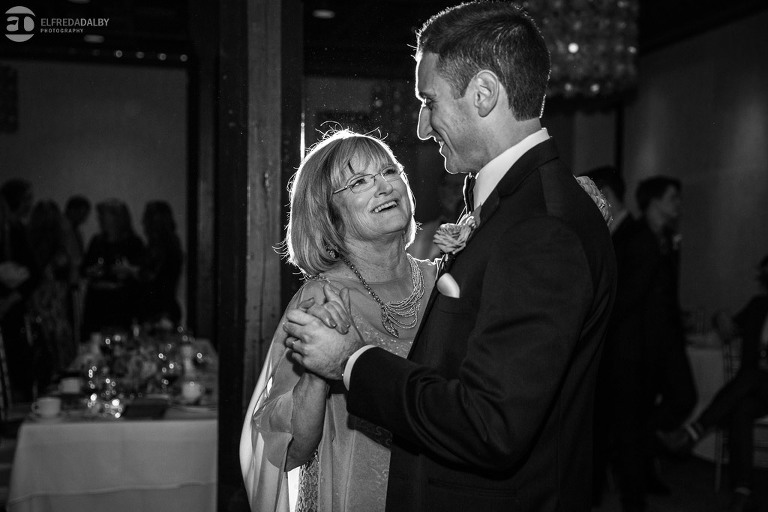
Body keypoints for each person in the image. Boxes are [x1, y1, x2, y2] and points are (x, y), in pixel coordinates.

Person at [281, 3, 617, 511]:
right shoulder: (518, 207)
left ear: (483, 93)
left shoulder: (540, 226)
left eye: (429, 101)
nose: (422, 126)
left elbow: (490, 424)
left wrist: (350, 360)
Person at [240, 129, 435, 511]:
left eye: (389, 172)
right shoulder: (322, 300)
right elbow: (289, 451)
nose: (384, 186)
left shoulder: (442, 282)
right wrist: (318, 373)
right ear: (329, 216)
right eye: (359, 182)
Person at [605, 175, 696, 511]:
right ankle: (634, 492)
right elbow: (627, 296)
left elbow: (663, 293)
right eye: (673, 198)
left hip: (659, 345)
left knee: (679, 399)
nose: (678, 205)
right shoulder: (638, 238)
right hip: (635, 348)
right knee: (633, 417)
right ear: (654, 201)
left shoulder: (667, 238)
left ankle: (641, 460)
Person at [658, 254, 768, 512]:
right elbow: (727, 332)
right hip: (755, 391)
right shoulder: (758, 306)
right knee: (742, 407)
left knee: (749, 377)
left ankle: (693, 432)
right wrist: (720, 318)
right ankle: (743, 491)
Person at [26, 200, 77, 390]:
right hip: (53, 305)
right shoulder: (59, 248)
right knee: (58, 349)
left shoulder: (31, 245)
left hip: (40, 304)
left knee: (46, 348)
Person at [80, 199, 144, 337]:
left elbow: (142, 273)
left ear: (117, 218)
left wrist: (127, 271)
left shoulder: (133, 243)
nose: (100, 219)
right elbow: (84, 269)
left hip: (121, 303)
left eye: (104, 215)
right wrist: (91, 271)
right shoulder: (97, 241)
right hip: (97, 302)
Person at [0, 179, 38, 402]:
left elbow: (33, 274)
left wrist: (10, 300)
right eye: (27, 199)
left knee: (16, 360)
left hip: (13, 305)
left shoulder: (16, 230)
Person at [137, 201, 184, 327]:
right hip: (163, 306)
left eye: (146, 218)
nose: (143, 222)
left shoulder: (160, 246)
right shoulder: (172, 243)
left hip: (158, 310)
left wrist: (132, 271)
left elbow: (151, 277)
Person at [407, 172, 465, 260]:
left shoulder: (477, 233)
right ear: (441, 190)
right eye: (448, 185)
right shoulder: (419, 236)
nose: (453, 191)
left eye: (459, 186)